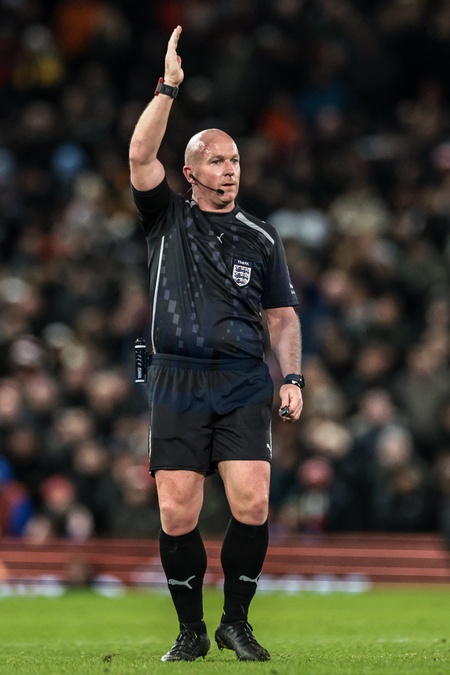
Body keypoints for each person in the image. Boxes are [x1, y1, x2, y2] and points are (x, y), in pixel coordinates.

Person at [128, 25, 304, 663]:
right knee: (177, 514)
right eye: (217, 161)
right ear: (191, 172)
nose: (229, 170)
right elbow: (138, 156)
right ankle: (190, 630)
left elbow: (283, 317)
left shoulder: (262, 236)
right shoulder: (166, 217)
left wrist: (292, 378)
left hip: (241, 379)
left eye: (234, 161)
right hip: (175, 377)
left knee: (252, 501)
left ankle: (236, 622)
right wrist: (168, 88)